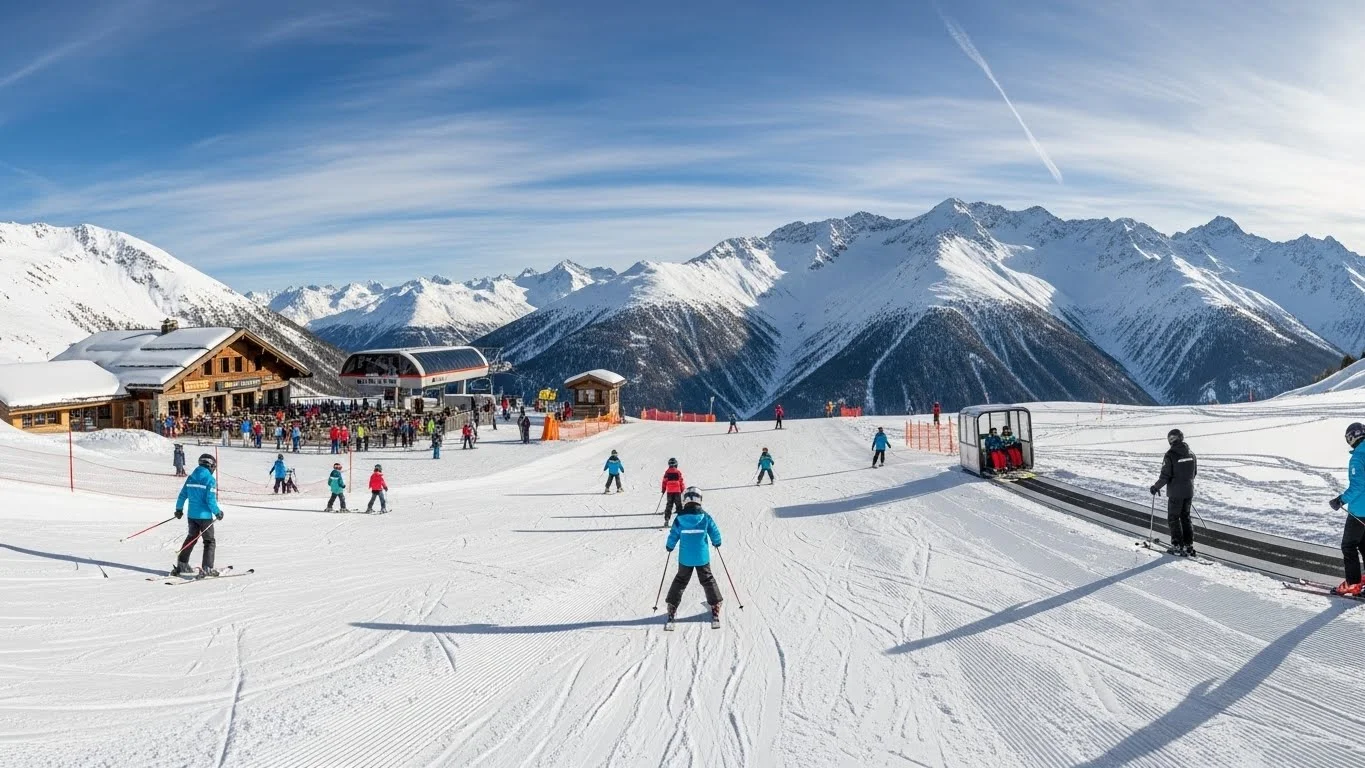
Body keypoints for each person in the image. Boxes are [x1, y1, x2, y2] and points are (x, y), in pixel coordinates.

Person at [664, 487, 723, 626]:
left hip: (685, 558)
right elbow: (714, 531)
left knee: (680, 580)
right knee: (707, 579)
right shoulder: (705, 516)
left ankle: (672, 605)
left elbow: (673, 534)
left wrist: (670, 546)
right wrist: (717, 541)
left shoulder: (679, 518)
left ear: (685, 500)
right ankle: (715, 605)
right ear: (699, 500)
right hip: (702, 557)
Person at [172, 453, 223, 577]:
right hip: (205, 517)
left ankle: (182, 564)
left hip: (192, 516)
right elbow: (210, 500)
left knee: (191, 538)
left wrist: (179, 509)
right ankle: (207, 568)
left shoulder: (191, 477)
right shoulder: (210, 480)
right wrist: (217, 512)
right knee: (209, 541)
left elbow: (182, 495)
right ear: (210, 466)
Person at [1150, 428, 1198, 557]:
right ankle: (1189, 545)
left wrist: (1156, 487)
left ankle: (1177, 545)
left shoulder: (1170, 454)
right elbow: (1194, 473)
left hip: (1176, 493)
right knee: (1185, 517)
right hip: (1188, 491)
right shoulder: (1191, 453)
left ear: (1172, 440)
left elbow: (1165, 475)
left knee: (1173, 518)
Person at [1330, 422, 1365, 595]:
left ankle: (1353, 583)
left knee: (1348, 546)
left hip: (1360, 510)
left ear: (1352, 437)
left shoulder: (1358, 457)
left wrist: (1340, 500)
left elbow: (1358, 486)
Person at [661, 458, 686, 525]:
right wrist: (683, 489)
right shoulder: (678, 472)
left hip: (669, 491)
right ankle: (681, 520)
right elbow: (681, 481)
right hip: (677, 491)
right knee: (678, 505)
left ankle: (667, 519)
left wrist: (663, 489)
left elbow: (664, 481)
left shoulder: (667, 472)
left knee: (669, 504)